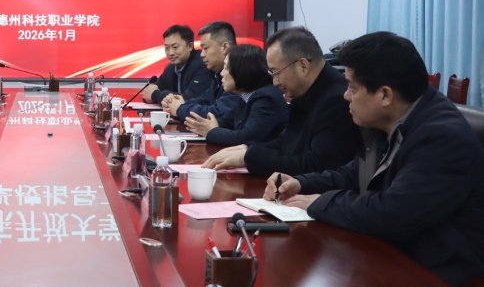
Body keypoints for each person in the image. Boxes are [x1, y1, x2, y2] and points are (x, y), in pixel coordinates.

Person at [266, 32, 484, 285]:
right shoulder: (389, 118)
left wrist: (320, 202)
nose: (345, 96)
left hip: (438, 269)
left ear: (385, 95)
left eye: (352, 87)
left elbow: (392, 214)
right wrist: (302, 183)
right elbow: (355, 174)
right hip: (396, 250)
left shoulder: (442, 138)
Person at [203, 27, 358, 177]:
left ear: (303, 66)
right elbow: (284, 143)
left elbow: (316, 166)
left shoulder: (339, 100)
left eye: (276, 72)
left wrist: (249, 157)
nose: (275, 82)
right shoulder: (306, 91)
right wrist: (246, 149)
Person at [183, 44, 288, 146]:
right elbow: (226, 121)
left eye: (226, 68)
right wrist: (206, 125)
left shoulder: (266, 98)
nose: (221, 73)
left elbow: (246, 137)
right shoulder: (244, 96)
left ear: (242, 70)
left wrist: (211, 131)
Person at [162, 21, 239, 120]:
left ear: (225, 47)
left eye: (205, 48)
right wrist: (179, 103)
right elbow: (203, 99)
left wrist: (180, 109)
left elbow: (218, 112)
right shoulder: (217, 75)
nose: (202, 54)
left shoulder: (238, 74)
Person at [143, 24, 212, 104]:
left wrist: (155, 95)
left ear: (190, 46)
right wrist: (150, 96)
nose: (171, 53)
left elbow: (190, 99)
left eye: (175, 47)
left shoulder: (203, 64)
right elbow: (149, 92)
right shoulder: (170, 68)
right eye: (167, 48)